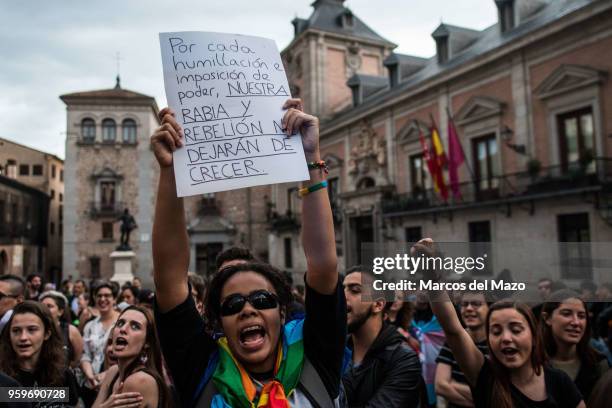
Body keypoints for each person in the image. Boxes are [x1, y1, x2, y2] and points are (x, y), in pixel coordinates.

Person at [152, 99, 347, 407]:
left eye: (262, 300)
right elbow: (169, 280)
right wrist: (170, 171)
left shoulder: (315, 358)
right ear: (218, 324)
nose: (247, 310)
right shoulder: (203, 369)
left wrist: (311, 156)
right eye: (231, 305)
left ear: (282, 312)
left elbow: (323, 265)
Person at [413, 238, 585, 408]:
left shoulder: (559, 382)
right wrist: (431, 274)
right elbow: (453, 329)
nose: (506, 338)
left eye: (516, 330)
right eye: (496, 331)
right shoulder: (486, 376)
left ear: (534, 335)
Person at [342, 266, 421, 407]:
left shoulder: (403, 359)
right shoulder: (336, 351)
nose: (342, 296)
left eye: (354, 290)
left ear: (378, 304)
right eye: (342, 290)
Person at [0, 301, 79, 406]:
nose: (23, 337)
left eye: (32, 330)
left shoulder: (63, 374)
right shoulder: (2, 377)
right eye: (16, 330)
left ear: (46, 334)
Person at [93, 305, 171, 408]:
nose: (123, 329)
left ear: (147, 342)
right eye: (120, 323)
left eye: (135, 326)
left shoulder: (140, 380)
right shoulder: (113, 372)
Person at [541, 290, 609, 400]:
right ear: (547, 318)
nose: (576, 322)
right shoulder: (532, 364)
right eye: (566, 314)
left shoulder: (599, 364)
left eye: (581, 316)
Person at [435, 291, 489, 408]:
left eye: (476, 304)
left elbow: (498, 391)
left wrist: (453, 385)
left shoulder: (496, 345)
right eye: (464, 304)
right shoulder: (452, 343)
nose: (469, 308)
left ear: (489, 308)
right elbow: (440, 386)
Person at [80, 282, 120, 406]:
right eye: (99, 296)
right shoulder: (90, 326)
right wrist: (90, 376)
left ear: (114, 299)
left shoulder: (122, 322)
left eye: (107, 295)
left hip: (117, 382)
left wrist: (107, 374)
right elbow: (85, 355)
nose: (103, 299)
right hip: (92, 385)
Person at [40, 290, 84, 368]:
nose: (45, 309)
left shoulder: (71, 331)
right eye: (42, 306)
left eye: (49, 306)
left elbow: (78, 359)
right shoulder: (35, 330)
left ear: (60, 311)